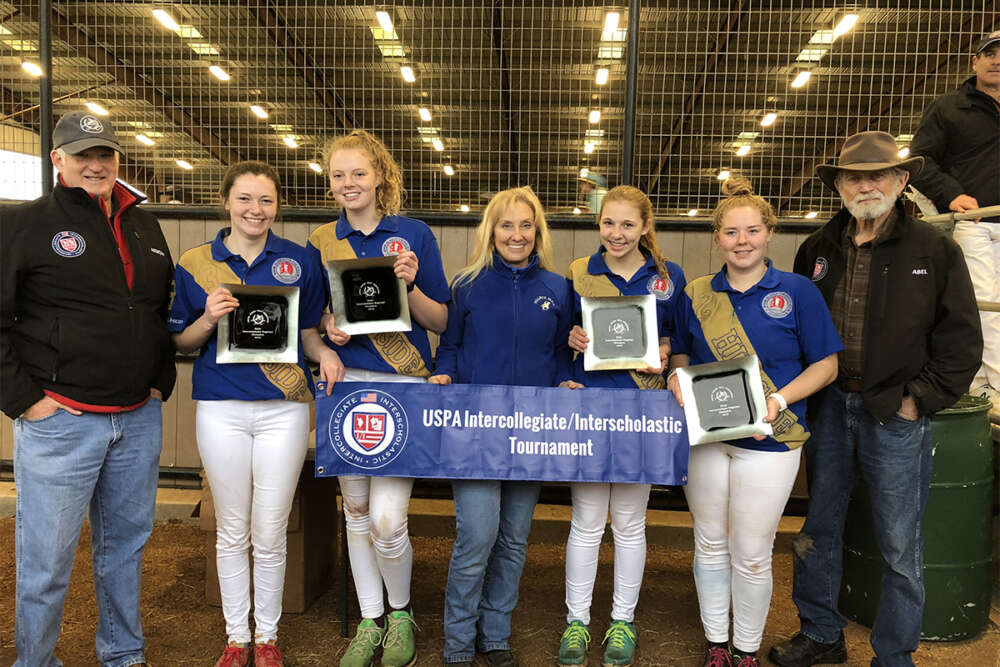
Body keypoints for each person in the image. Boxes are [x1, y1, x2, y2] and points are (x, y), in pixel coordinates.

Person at [768, 131, 982, 667]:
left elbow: (961, 342)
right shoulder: (816, 249)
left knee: (898, 542)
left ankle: (893, 654)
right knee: (820, 526)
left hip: (896, 414)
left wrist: (918, 399)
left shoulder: (935, 250)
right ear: (838, 184)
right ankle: (821, 634)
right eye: (854, 176)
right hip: (829, 409)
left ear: (901, 180)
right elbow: (795, 332)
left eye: (877, 175)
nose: (866, 185)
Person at [0, 111, 176, 666]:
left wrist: (157, 380)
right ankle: (37, 660)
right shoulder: (25, 224)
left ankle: (123, 654)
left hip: (136, 418)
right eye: (82, 156)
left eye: (105, 154)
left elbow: (152, 309)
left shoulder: (142, 223)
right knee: (46, 562)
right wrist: (26, 400)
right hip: (63, 420)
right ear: (58, 160)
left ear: (118, 159)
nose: (95, 165)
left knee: (124, 551)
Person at [666, 177, 842, 667]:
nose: (741, 242)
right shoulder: (696, 293)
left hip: (771, 441)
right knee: (708, 541)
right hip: (709, 439)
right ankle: (716, 644)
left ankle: (745, 647)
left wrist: (780, 400)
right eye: (730, 232)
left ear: (769, 233)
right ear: (717, 237)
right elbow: (681, 352)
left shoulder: (798, 291)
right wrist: (677, 378)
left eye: (752, 231)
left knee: (751, 551)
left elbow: (826, 364)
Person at [168, 161, 336, 667]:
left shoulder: (300, 260)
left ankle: (267, 636)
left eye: (265, 201)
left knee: (271, 525)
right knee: (232, 528)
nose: (255, 210)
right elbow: (181, 340)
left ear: (277, 206)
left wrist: (325, 354)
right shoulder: (196, 261)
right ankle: (236, 637)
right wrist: (207, 318)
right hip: (221, 407)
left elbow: (308, 333)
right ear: (227, 202)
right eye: (244, 199)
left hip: (283, 409)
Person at [306, 129, 450, 667]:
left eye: (358, 173)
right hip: (347, 387)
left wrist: (412, 289)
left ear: (380, 176)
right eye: (338, 175)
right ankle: (370, 620)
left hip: (405, 385)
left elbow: (443, 320)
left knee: (390, 518)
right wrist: (325, 336)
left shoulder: (413, 234)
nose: (348, 183)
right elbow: (311, 324)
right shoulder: (322, 241)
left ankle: (402, 613)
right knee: (358, 512)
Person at [428, 186, 576, 667]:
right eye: (506, 225)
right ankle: (457, 644)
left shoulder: (558, 288)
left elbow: (559, 355)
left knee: (514, 538)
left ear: (538, 232)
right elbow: (450, 345)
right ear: (491, 230)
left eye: (525, 225)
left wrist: (568, 380)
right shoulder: (466, 284)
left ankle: (495, 635)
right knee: (477, 536)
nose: (516, 234)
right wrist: (444, 372)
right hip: (475, 430)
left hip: (531, 431)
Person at [557, 185, 684, 667]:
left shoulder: (669, 278)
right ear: (599, 224)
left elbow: (678, 340)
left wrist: (667, 352)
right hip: (590, 408)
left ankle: (622, 621)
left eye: (628, 224)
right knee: (587, 521)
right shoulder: (578, 273)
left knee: (630, 523)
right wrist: (572, 338)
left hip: (644, 413)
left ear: (645, 227)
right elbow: (563, 343)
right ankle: (576, 623)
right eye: (609, 223)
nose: (617, 233)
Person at [909, 30, 1000, 410]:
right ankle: (995, 388)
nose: (997, 60)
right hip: (976, 221)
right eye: (989, 54)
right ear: (975, 62)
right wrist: (952, 195)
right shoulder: (949, 107)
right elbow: (919, 161)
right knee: (984, 303)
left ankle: (983, 382)